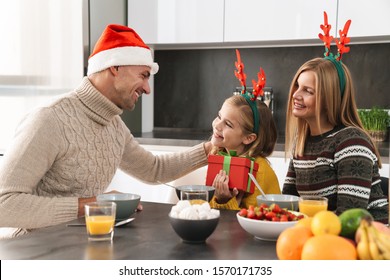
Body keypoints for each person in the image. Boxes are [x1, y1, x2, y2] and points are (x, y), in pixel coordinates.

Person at [0, 24, 212, 238]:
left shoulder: (114, 125)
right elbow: (3, 204)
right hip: (31, 251)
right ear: (115, 67)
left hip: (81, 245)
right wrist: (93, 205)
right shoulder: (49, 119)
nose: (148, 88)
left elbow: (153, 169)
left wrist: (209, 150)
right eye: (144, 75)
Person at [282, 12, 388, 222]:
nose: (296, 94)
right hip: (323, 233)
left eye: (308, 91)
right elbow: (290, 202)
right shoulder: (301, 142)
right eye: (297, 86)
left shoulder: (351, 142)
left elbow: (349, 218)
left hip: (365, 239)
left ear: (329, 98)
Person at [209, 50, 280, 210]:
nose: (217, 125)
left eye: (228, 124)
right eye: (219, 117)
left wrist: (224, 201)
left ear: (249, 138)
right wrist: (219, 200)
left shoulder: (257, 172)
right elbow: (212, 212)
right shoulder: (220, 157)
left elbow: (251, 221)